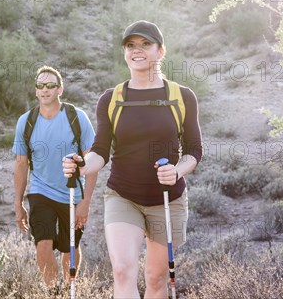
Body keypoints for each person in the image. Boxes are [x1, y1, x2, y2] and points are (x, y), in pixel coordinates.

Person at [63, 20, 203, 299]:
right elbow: (100, 152)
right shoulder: (111, 99)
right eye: (130, 46)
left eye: (145, 44)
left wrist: (177, 171)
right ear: (125, 53)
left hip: (168, 198)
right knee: (123, 271)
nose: (137, 51)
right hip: (123, 196)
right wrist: (81, 165)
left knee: (155, 278)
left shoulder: (181, 96)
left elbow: (194, 150)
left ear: (160, 51)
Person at [13, 65, 97, 289]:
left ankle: (70, 288)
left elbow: (92, 164)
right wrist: (18, 203)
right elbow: (21, 164)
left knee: (70, 247)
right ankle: (52, 291)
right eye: (40, 85)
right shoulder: (26, 121)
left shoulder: (77, 118)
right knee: (43, 243)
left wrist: (85, 202)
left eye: (50, 85)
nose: (45, 89)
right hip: (40, 191)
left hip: (72, 193)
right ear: (36, 90)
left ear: (60, 89)